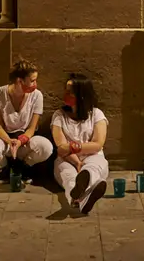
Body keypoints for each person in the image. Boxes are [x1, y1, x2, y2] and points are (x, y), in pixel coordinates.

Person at [0, 59, 53, 185]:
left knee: (46, 147)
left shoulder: (36, 95)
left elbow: (32, 128)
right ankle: (4, 168)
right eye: (32, 80)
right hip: (5, 140)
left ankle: (25, 167)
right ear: (19, 81)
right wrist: (10, 141)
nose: (35, 84)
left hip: (24, 139)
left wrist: (20, 141)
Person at [51, 73, 109, 214]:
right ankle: (82, 194)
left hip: (93, 156)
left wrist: (72, 147)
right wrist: (77, 162)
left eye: (70, 92)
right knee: (68, 176)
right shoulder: (59, 116)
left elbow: (97, 144)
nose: (66, 94)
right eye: (66, 91)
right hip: (67, 160)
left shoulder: (96, 114)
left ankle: (80, 192)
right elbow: (61, 149)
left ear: (81, 95)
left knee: (94, 167)